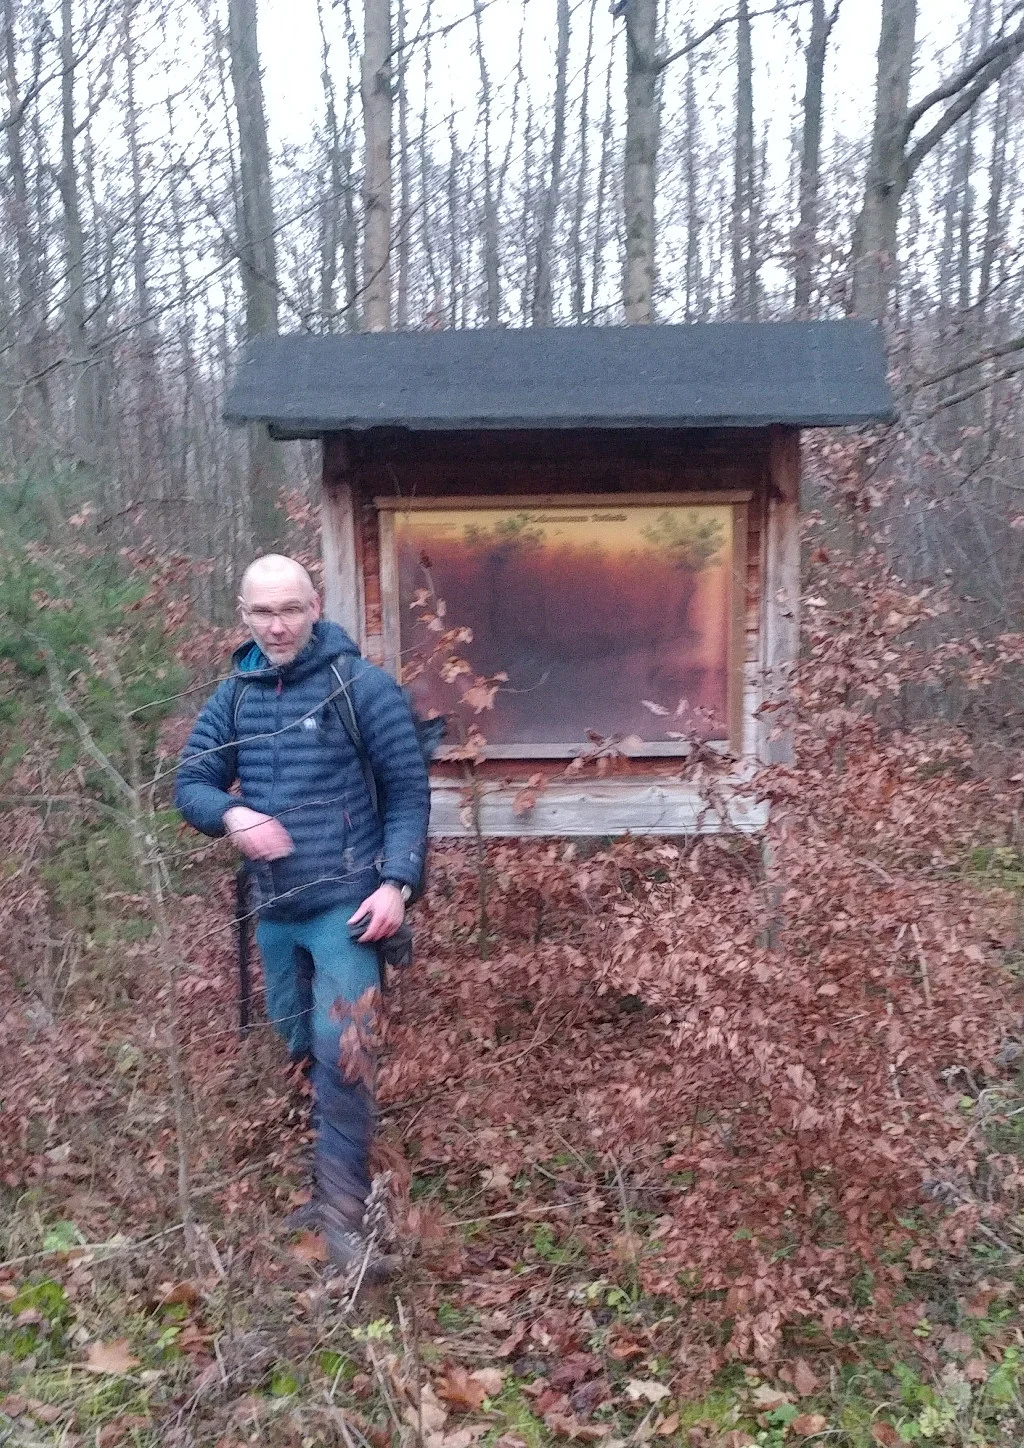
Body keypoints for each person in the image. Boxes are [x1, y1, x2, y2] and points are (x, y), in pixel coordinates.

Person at [174, 554, 430, 1276]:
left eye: (290, 609)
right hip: (276, 910)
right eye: (263, 612)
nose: (277, 625)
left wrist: (396, 885)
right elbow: (189, 782)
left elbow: (410, 795)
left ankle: (348, 1227)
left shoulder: (363, 687)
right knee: (298, 1049)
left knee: (344, 1054)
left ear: (315, 605)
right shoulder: (237, 693)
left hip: (350, 910)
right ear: (243, 615)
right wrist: (232, 813)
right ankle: (330, 1191)